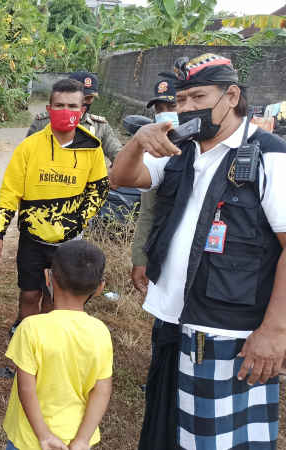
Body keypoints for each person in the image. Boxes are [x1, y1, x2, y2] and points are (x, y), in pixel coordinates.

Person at [110, 53, 286, 450]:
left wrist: (275, 332)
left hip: (227, 330)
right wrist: (138, 142)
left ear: (231, 96)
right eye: (182, 99)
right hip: (172, 320)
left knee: (219, 439)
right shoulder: (180, 148)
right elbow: (121, 176)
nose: (187, 108)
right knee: (166, 427)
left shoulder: (268, 155)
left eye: (198, 97)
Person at [0, 79, 109, 333]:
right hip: (32, 239)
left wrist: (79, 219)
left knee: (56, 299)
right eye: (60, 105)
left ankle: (47, 340)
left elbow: (99, 189)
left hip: (68, 242)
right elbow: (11, 192)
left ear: (82, 109)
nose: (66, 111)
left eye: (73, 106)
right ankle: (24, 335)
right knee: (30, 295)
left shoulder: (92, 149)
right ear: (49, 108)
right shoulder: (29, 147)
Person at [3, 240, 112, 450]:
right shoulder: (100, 332)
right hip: (76, 439)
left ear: (48, 277)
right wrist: (82, 439)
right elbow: (102, 390)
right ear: (100, 288)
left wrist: (44, 435)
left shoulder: (31, 328)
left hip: (30, 440)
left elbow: (26, 386)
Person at [130, 79, 178, 295]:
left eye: (172, 107)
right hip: (165, 254)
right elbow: (148, 213)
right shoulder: (155, 155)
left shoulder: (208, 149)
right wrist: (140, 259)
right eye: (160, 109)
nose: (165, 114)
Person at [27, 71, 122, 164]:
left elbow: (120, 158)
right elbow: (27, 156)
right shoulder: (43, 122)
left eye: (88, 98)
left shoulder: (100, 127)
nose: (83, 102)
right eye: (78, 98)